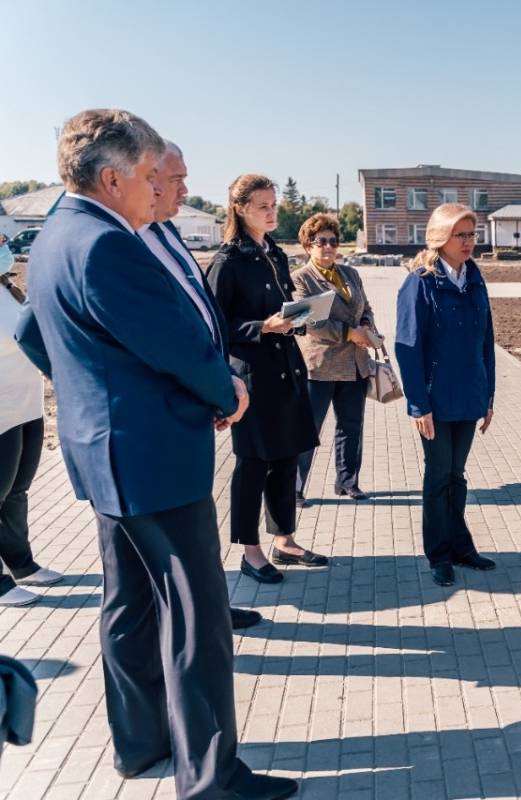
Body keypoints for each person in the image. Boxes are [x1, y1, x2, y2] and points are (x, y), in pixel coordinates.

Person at [15, 109, 295, 800]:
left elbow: (30, 333)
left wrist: (91, 396)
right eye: (149, 175)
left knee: (131, 605)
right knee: (198, 620)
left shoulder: (58, 235)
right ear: (112, 178)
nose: (159, 189)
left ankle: (139, 748)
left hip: (106, 456)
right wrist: (225, 392)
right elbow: (172, 349)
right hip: (153, 458)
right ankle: (211, 778)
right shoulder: (107, 245)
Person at [135, 142, 265, 629]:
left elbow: (197, 315)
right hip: (159, 419)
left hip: (194, 406)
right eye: (176, 178)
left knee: (196, 534)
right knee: (165, 547)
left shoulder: (164, 231)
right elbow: (166, 341)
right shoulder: (122, 242)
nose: (186, 189)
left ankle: (210, 608)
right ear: (144, 177)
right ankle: (195, 624)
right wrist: (219, 385)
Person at [207, 175, 325, 585]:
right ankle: (249, 550)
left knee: (287, 456)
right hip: (253, 376)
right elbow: (215, 326)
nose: (272, 211)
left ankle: (285, 540)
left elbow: (280, 307)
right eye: (263, 205)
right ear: (240, 209)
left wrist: (297, 318)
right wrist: (262, 327)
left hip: (287, 369)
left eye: (274, 204)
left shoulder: (274, 254)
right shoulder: (227, 261)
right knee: (254, 464)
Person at [395, 203, 498, 587]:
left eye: (472, 234)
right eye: (462, 235)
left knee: (457, 475)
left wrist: (489, 396)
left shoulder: (475, 277)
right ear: (441, 237)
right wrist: (418, 403)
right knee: (438, 476)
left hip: (469, 396)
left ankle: (461, 546)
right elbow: (408, 346)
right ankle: (438, 553)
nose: (469, 242)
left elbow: (486, 340)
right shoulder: (420, 281)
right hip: (436, 402)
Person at [293, 212, 378, 506]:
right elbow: (309, 323)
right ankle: (294, 488)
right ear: (308, 245)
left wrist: (367, 326)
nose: (328, 247)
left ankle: (348, 482)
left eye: (333, 241)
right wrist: (348, 333)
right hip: (319, 367)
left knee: (351, 426)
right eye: (321, 241)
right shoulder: (300, 279)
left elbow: (365, 306)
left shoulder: (351, 274)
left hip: (355, 365)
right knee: (307, 429)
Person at [0, 237, 64, 608]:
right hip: (2, 411)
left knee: (17, 491)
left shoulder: (9, 287)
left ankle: (21, 565)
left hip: (28, 406)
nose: (5, 245)